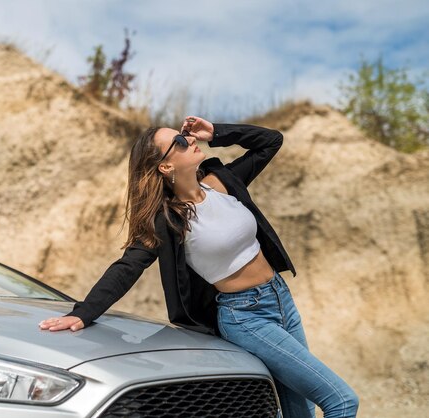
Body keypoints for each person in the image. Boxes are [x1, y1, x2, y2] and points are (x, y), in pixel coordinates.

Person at [39, 116, 360, 418]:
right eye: (178, 141)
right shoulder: (167, 220)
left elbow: (271, 141)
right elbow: (127, 267)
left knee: (299, 414)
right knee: (341, 400)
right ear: (165, 166)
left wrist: (215, 133)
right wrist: (81, 313)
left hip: (281, 300)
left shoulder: (221, 182)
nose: (187, 139)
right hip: (246, 316)